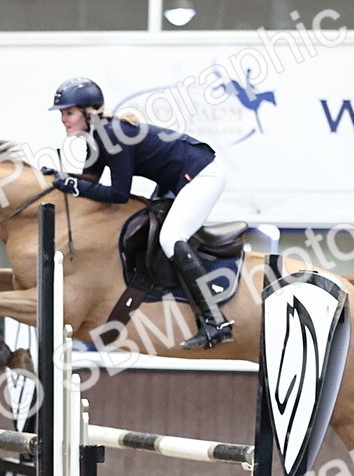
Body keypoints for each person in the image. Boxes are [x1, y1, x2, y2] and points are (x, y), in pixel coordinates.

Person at [48, 77, 232, 350]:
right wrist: (58, 179)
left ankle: (214, 321)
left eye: (69, 112)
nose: (63, 119)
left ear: (88, 112)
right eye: (62, 113)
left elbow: (119, 194)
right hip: (176, 180)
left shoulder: (110, 133)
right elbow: (90, 181)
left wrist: (71, 184)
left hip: (202, 173)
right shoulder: (96, 135)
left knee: (171, 237)